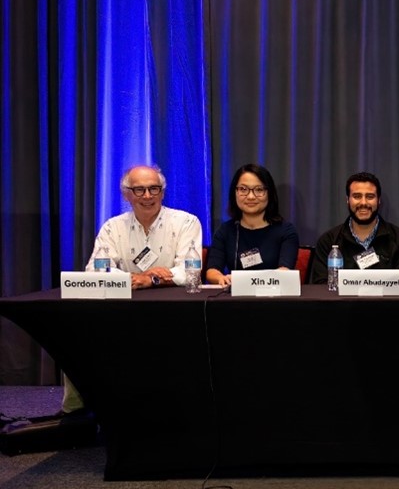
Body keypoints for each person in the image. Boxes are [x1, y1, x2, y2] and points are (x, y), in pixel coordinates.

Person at [61, 164, 203, 417]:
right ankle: (75, 415)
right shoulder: (112, 227)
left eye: (153, 189)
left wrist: (153, 280)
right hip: (122, 309)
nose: (147, 196)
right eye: (139, 190)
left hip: (172, 311)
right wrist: (133, 278)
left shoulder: (186, 222)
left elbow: (190, 271)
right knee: (76, 333)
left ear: (162, 192)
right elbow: (95, 270)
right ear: (126, 194)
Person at [310, 171, 399, 284]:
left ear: (379, 200)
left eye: (370, 196)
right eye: (357, 196)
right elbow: (321, 287)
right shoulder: (328, 241)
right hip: (343, 302)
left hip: (386, 302)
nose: (363, 202)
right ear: (347, 200)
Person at [204, 163, 300, 286]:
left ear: (269, 193)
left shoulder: (286, 231)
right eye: (243, 189)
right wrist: (220, 278)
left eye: (259, 190)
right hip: (235, 300)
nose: (250, 196)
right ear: (235, 193)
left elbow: (284, 272)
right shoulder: (225, 231)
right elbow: (212, 271)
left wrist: (248, 281)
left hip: (273, 299)